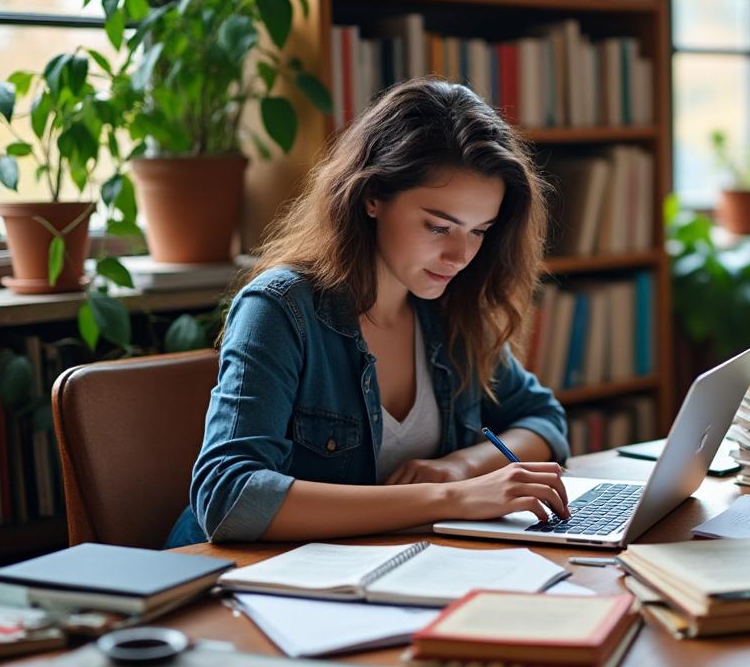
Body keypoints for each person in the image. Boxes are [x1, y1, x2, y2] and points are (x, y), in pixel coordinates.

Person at [165, 78, 570, 547]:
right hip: (242, 582)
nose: (461, 256)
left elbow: (544, 421)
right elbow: (228, 497)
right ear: (372, 197)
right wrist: (452, 498)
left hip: (379, 571)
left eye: (480, 231)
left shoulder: (452, 310)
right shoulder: (280, 309)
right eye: (439, 227)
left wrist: (461, 466)